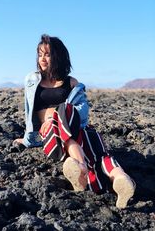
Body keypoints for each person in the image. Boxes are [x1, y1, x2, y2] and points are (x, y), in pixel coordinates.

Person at [14, 34, 136, 209]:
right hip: (51, 135)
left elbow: (82, 112)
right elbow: (28, 109)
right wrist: (27, 139)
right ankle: (108, 174)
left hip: (78, 130)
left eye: (47, 54)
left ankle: (113, 177)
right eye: (40, 54)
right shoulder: (32, 80)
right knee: (97, 156)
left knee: (99, 154)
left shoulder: (71, 83)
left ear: (58, 56)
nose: (42, 58)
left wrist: (57, 115)